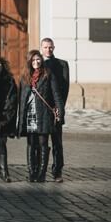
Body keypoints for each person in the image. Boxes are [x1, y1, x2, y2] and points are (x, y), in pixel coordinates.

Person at [19, 50, 62, 183]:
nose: (36, 62)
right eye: (33, 60)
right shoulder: (25, 76)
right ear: (29, 62)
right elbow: (21, 97)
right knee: (31, 143)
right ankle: (32, 172)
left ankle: (42, 173)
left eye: (38, 60)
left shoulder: (48, 74)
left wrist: (60, 111)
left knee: (43, 143)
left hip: (43, 113)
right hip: (29, 113)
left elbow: (56, 94)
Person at [39, 38, 70, 182]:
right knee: (41, 141)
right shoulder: (37, 64)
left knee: (57, 141)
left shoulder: (62, 64)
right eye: (45, 47)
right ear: (41, 48)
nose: (48, 50)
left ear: (54, 48)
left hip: (56, 107)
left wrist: (60, 108)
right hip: (42, 108)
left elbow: (65, 88)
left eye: (50, 47)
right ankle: (40, 170)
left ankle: (57, 171)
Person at [0, 56, 19, 182]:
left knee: (1, 143)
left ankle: (5, 172)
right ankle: (1, 170)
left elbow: (12, 100)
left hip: (4, 117)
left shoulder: (9, 80)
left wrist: (6, 118)